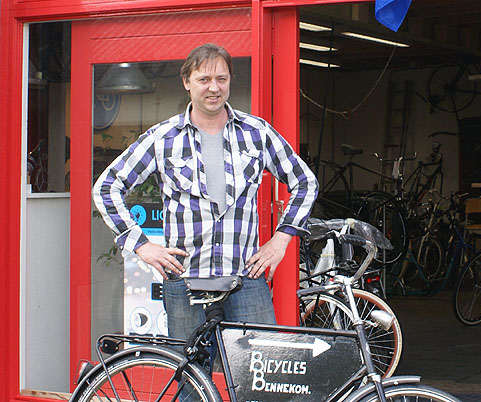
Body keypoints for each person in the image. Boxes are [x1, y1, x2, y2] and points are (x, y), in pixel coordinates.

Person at [93, 43, 318, 345]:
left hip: (245, 278)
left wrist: (281, 240)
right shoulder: (163, 139)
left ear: (229, 81)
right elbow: (107, 188)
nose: (214, 88)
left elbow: (305, 182)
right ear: (187, 82)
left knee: (262, 376)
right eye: (204, 79)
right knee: (191, 383)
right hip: (185, 281)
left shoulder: (256, 133)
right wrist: (141, 245)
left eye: (221, 79)